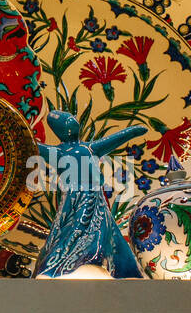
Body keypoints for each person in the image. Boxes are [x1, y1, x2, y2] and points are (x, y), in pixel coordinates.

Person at [32, 109, 146, 279]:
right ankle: (65, 265)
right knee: (76, 228)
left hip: (96, 197)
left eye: (71, 118)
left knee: (107, 231)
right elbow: (30, 144)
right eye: (66, 120)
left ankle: (124, 270)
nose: (72, 121)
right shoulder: (57, 152)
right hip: (75, 198)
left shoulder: (90, 147)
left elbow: (116, 139)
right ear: (58, 130)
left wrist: (134, 131)